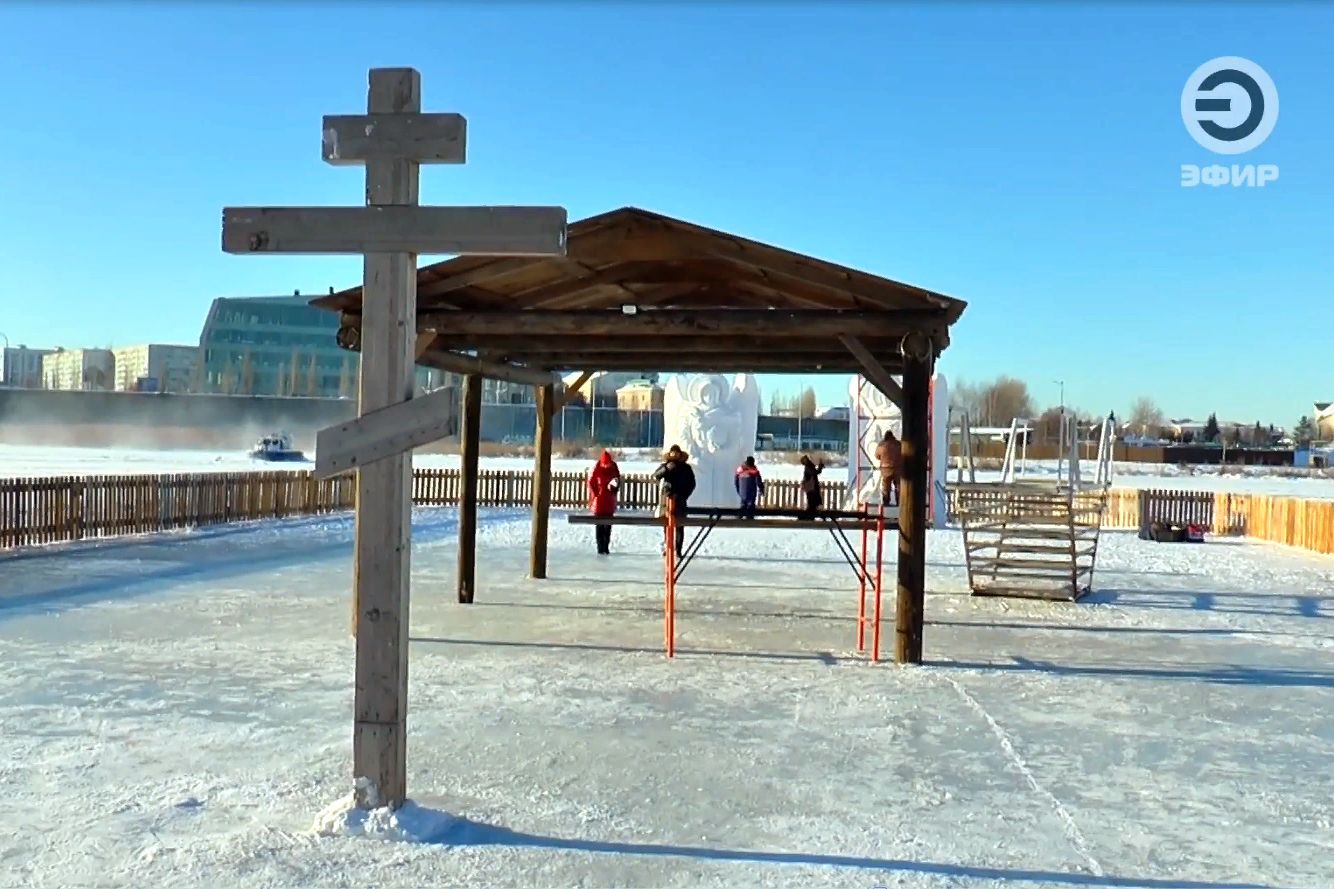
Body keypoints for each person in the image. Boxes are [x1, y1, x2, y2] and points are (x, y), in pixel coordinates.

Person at [652, 444, 696, 557]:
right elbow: (655, 476)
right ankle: (668, 548)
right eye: (673, 453)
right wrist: (665, 469)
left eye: (677, 453)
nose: (674, 455)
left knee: (679, 526)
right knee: (667, 526)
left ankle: (678, 550)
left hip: (680, 500)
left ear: (680, 454)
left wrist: (684, 495)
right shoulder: (666, 465)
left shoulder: (686, 468)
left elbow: (692, 483)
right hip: (666, 499)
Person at [587, 449, 621, 554]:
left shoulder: (614, 467)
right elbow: (591, 482)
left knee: (608, 526)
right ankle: (600, 547)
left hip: (609, 501)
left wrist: (614, 489)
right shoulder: (597, 468)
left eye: (608, 464)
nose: (606, 466)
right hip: (599, 502)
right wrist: (596, 492)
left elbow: (617, 480)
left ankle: (606, 546)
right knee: (599, 526)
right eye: (605, 464)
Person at [874, 429, 902, 506]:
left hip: (885, 469)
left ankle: (886, 502)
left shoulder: (882, 445)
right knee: (898, 486)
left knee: (886, 487)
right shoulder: (899, 444)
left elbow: (877, 456)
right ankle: (899, 502)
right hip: (898, 468)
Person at [798, 454, 824, 518]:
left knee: (811, 500)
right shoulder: (809, 466)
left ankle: (810, 515)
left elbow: (814, 472)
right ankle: (811, 514)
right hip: (812, 486)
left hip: (811, 486)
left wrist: (820, 467)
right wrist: (820, 467)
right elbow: (815, 472)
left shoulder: (809, 466)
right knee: (812, 500)